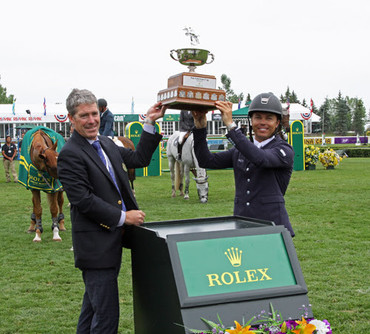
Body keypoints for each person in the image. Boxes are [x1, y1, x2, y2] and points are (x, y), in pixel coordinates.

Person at [57, 88, 166, 333]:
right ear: (72, 119)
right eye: (84, 116)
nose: (92, 120)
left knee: (93, 310)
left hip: (112, 242)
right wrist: (123, 217)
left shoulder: (106, 143)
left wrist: (149, 122)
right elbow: (82, 200)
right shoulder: (69, 154)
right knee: (106, 318)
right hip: (95, 247)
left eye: (94, 113)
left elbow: (139, 159)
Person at [192, 93, 295, 237]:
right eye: (258, 117)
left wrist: (231, 126)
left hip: (272, 228)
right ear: (251, 120)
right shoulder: (241, 150)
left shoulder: (284, 150)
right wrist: (200, 128)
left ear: (277, 123)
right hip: (242, 224)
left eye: (269, 118)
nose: (263, 122)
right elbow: (206, 161)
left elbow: (260, 158)